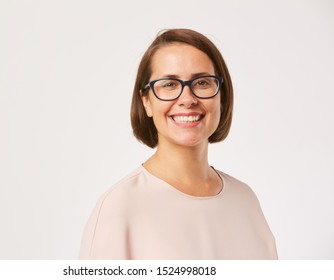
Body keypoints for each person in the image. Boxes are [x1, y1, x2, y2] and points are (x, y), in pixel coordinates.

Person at [79, 29, 278, 259]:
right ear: (146, 102)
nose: (187, 99)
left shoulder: (245, 200)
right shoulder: (119, 208)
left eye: (202, 82)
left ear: (221, 96)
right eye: (169, 84)